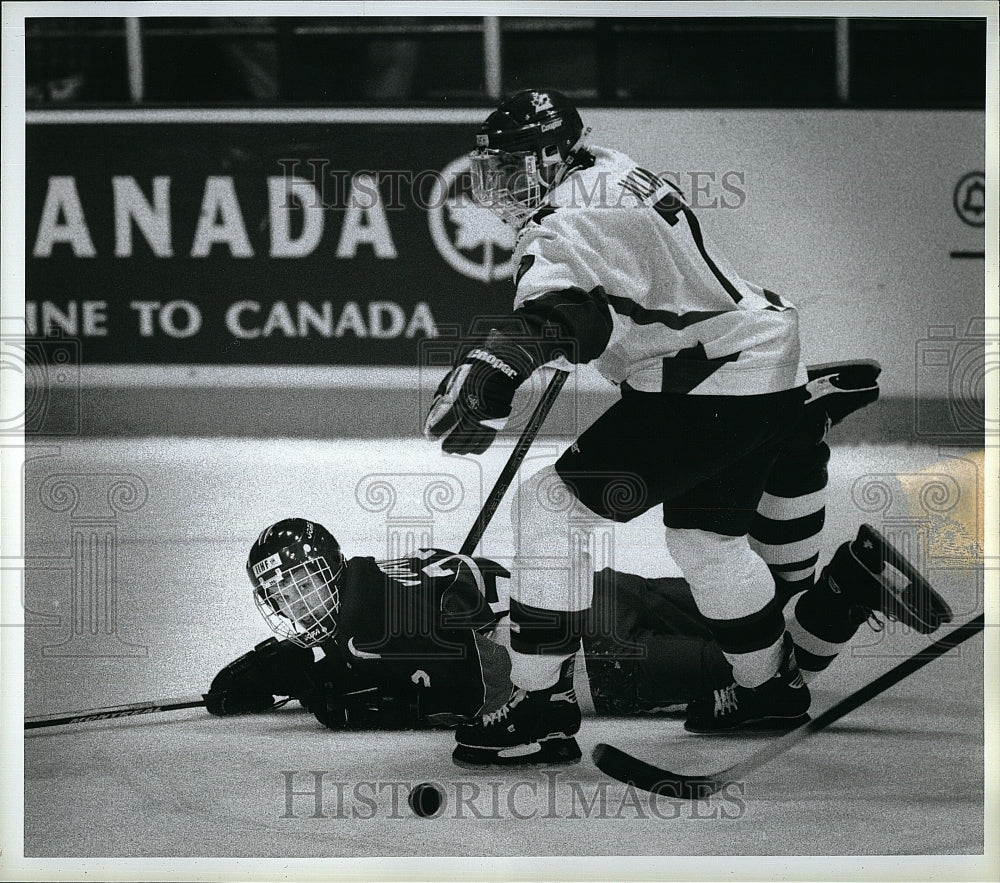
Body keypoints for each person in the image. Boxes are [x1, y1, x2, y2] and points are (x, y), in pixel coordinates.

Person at [419, 88, 947, 765]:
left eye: (513, 166)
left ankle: (541, 702)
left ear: (552, 158)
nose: (499, 185)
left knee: (549, 506)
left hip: (707, 388)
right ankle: (763, 689)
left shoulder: (561, 223)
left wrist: (498, 365)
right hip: (762, 362)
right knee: (706, 540)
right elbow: (613, 299)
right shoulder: (609, 166)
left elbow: (576, 319)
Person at [205, 507, 951, 744]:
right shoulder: (376, 571)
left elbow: (401, 691)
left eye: (303, 584)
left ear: (328, 572)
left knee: (768, 675)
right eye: (285, 594)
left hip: (597, 658)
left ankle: (851, 586)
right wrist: (295, 666)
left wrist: (318, 686)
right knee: (746, 613)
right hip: (586, 592)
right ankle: (841, 571)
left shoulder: (360, 637)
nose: (298, 605)